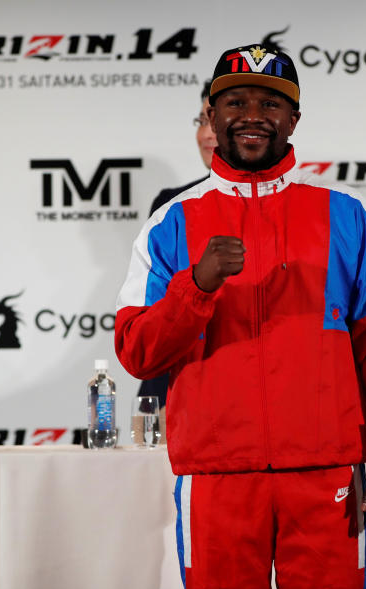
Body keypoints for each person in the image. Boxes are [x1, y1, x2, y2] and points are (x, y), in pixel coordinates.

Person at [116, 43, 366, 589]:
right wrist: (197, 286)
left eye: (270, 103)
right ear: (211, 116)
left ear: (294, 119)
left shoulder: (346, 213)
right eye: (235, 101)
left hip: (328, 473)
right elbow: (137, 350)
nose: (253, 115)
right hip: (216, 479)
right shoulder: (171, 224)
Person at [135, 79, 217, 422]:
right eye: (201, 121)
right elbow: (154, 310)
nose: (207, 133)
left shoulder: (289, 205)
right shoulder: (169, 206)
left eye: (214, 120)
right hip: (166, 384)